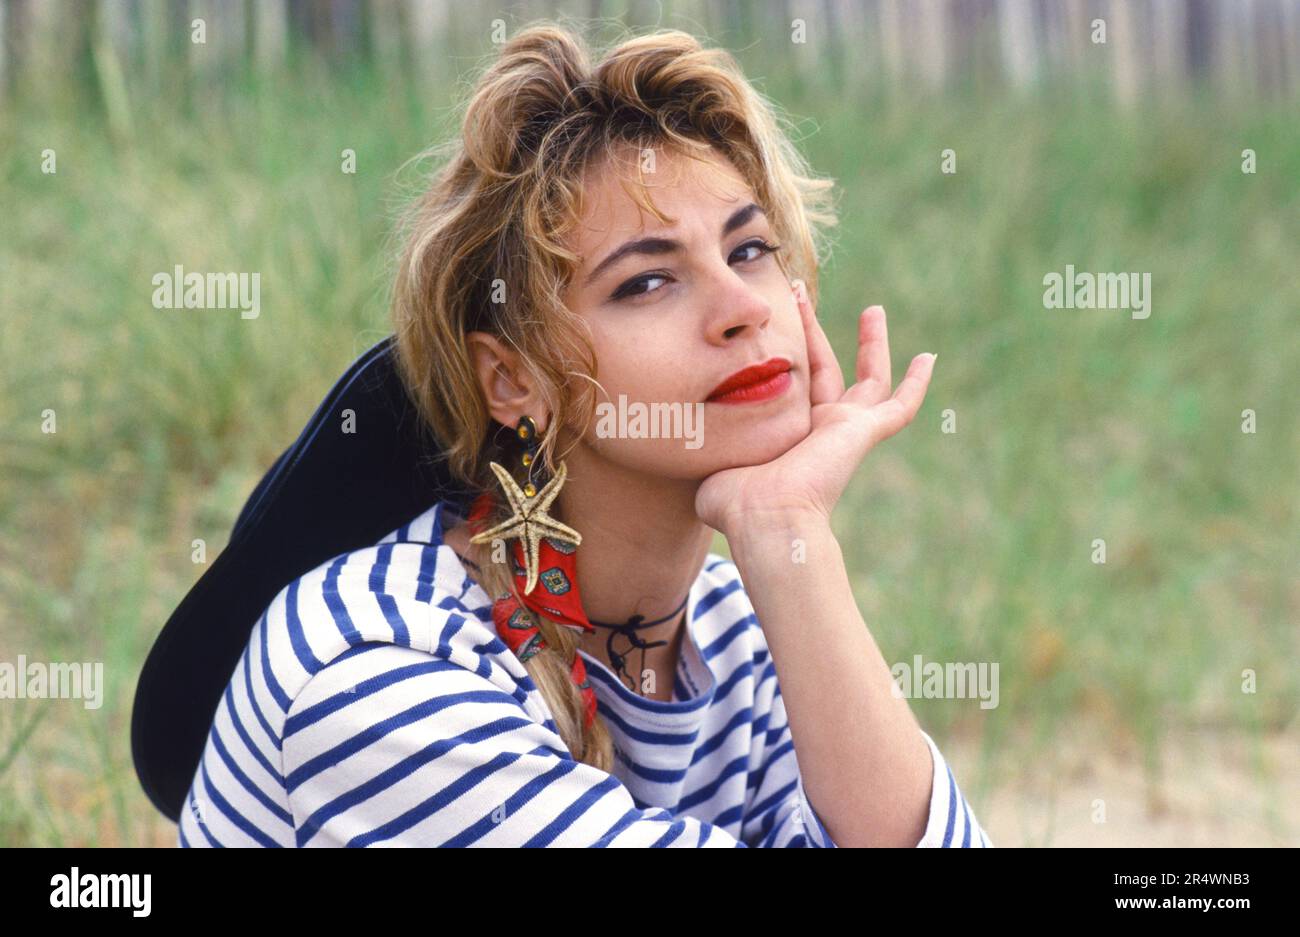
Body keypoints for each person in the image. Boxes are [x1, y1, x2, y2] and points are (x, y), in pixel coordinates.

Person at [178, 24, 990, 848]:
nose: (742, 306)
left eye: (749, 249)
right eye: (646, 281)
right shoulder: (381, 669)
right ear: (512, 379)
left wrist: (788, 531)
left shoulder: (739, 632)